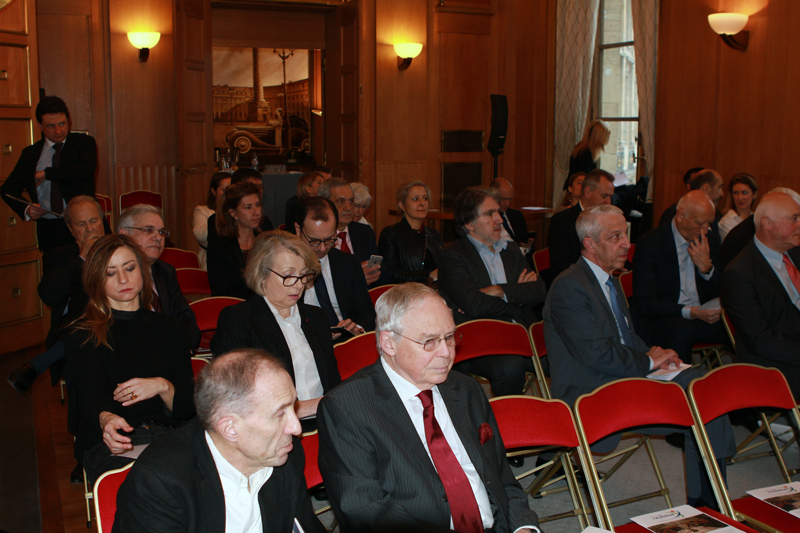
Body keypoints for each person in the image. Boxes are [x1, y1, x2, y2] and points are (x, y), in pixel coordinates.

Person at [543, 204, 735, 509]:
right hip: (591, 390)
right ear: (590, 245)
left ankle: (710, 503)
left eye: (626, 234)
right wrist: (648, 362)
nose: (626, 244)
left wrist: (654, 354)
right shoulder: (569, 286)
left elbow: (625, 336)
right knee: (700, 398)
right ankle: (709, 505)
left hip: (623, 374)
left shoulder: (609, 279)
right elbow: (596, 353)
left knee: (706, 385)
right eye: (615, 236)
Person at [317, 283, 542, 533]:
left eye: (449, 337)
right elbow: (367, 512)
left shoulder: (466, 389)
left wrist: (525, 528)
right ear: (389, 343)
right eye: (430, 342)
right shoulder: (347, 407)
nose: (446, 353)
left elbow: (502, 480)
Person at [112, 349, 325, 533]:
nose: (296, 428)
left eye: (292, 407)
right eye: (280, 413)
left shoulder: (284, 452)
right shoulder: (160, 481)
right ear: (230, 429)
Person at [63, 235, 195, 486]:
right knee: (153, 482)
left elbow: (186, 408)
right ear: (96, 281)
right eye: (110, 273)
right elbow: (91, 400)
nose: (123, 279)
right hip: (113, 442)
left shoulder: (172, 328)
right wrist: (106, 419)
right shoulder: (83, 334)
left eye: (129, 268)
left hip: (166, 436)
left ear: (143, 271)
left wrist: (161, 385)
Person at [210, 230, 341, 427]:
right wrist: (308, 407)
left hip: (327, 423)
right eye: (288, 275)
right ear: (262, 275)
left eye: (303, 275)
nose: (298, 285)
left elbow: (332, 381)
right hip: (273, 428)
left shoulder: (316, 317)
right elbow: (236, 396)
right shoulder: (239, 319)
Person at [438, 187, 546, 398]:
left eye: (498, 212)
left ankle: (564, 421)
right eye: (489, 214)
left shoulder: (510, 250)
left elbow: (540, 290)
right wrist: (518, 297)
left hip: (523, 333)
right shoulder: (453, 256)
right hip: (481, 338)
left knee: (566, 353)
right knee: (510, 367)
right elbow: (474, 305)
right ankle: (507, 424)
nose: (499, 219)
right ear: (469, 224)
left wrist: (500, 290)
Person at [7, 196, 108, 394]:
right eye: (81, 224)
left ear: (103, 222)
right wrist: (82, 258)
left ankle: (39, 363)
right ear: (71, 230)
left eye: (94, 221)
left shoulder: (119, 251)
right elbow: (49, 296)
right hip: (72, 329)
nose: (89, 229)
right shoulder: (58, 257)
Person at [632, 190, 726, 364]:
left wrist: (706, 268)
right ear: (681, 215)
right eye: (700, 223)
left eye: (709, 223)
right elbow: (646, 304)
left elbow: (722, 288)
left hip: (702, 316)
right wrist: (692, 312)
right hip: (662, 319)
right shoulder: (651, 243)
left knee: (743, 321)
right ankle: (679, 385)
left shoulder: (709, 238)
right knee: (682, 330)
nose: (705, 230)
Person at [721, 191, 800, 397]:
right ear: (767, 223)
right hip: (772, 363)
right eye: (794, 219)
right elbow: (761, 341)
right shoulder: (740, 273)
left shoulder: (795, 252)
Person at [0, 96, 98, 252]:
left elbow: (84, 170)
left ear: (68, 120)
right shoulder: (31, 154)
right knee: (54, 275)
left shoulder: (84, 143)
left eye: (62, 124)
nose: (58, 131)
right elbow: (7, 189)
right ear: (40, 125)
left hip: (85, 227)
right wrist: (26, 209)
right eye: (51, 126)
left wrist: (45, 174)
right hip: (50, 229)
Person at [118, 204, 201, 349]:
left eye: (162, 232)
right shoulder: (113, 277)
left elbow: (187, 321)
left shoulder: (166, 272)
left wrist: (179, 350)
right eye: (148, 230)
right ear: (124, 234)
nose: (157, 237)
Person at [295, 196, 375, 335]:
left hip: (344, 338)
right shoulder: (285, 266)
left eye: (329, 240)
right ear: (298, 229)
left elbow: (367, 314)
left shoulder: (347, 263)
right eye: (314, 241)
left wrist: (357, 328)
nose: (322, 248)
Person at [546, 169, 615, 284]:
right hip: (575, 283)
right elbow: (560, 265)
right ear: (587, 192)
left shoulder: (608, 220)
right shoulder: (562, 220)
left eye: (610, 197)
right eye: (604, 196)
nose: (608, 202)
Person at [319, 177, 384, 287]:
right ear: (324, 204)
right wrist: (356, 277)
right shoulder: (317, 237)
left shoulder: (364, 232)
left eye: (351, 201)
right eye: (340, 201)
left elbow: (383, 274)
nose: (348, 207)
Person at [378, 181, 443, 285]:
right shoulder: (391, 233)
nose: (422, 203)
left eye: (425, 198)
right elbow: (390, 274)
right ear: (402, 205)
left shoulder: (434, 234)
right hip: (405, 295)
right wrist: (429, 275)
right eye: (415, 199)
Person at [207, 182, 262, 299]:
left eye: (257, 205)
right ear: (233, 213)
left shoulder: (266, 241)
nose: (256, 212)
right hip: (233, 308)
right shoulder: (220, 246)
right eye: (248, 207)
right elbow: (220, 292)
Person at [207, 167, 273, 242]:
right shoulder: (218, 224)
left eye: (260, 187)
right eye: (248, 207)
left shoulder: (265, 222)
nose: (258, 191)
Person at [192, 172, 231, 270]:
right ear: (213, 191)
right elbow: (200, 235)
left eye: (230, 190)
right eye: (224, 190)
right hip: (211, 263)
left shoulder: (237, 210)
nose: (228, 194)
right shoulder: (202, 210)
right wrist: (222, 218)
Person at [659, 169, 725, 226]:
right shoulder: (673, 213)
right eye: (719, 187)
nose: (722, 194)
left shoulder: (716, 214)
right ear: (706, 188)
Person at [490, 178, 533, 249]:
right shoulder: (486, 218)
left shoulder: (517, 215)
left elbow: (524, 240)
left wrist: (527, 245)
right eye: (503, 199)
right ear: (492, 196)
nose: (507, 203)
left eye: (510, 199)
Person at [718, 173, 758, 241]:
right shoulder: (726, 222)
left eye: (744, 193)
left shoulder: (756, 219)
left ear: (754, 194)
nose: (740, 198)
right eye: (736, 193)